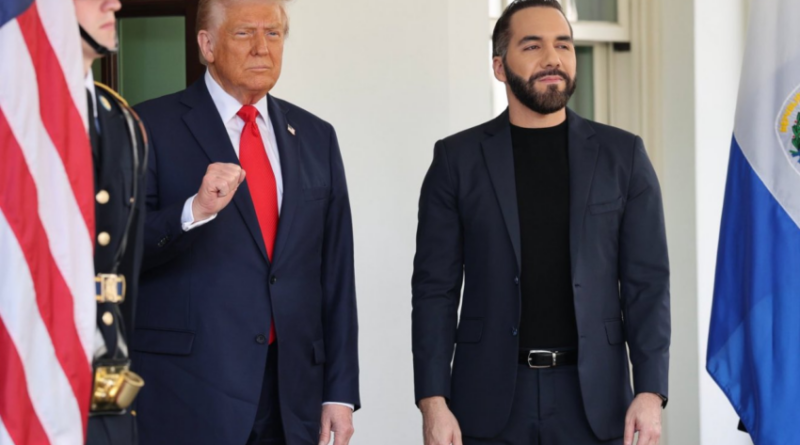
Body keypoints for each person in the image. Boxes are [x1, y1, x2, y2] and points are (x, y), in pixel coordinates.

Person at [411, 1, 670, 445]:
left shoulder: (623, 156)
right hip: (488, 401)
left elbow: (647, 284)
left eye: (563, 45)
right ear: (499, 66)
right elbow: (435, 289)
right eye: (533, 46)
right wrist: (432, 401)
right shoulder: (456, 160)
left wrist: (650, 391)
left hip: (596, 402)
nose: (553, 58)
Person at [131, 1, 360, 444]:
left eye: (273, 34)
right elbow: (118, 252)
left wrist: (340, 391)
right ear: (207, 45)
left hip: (292, 394)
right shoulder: (148, 125)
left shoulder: (316, 135)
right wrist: (193, 211)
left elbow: (336, 272)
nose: (261, 47)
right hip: (188, 392)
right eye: (243, 33)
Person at [75, 0, 148, 444]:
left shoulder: (119, 118)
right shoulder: (17, 116)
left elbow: (124, 271)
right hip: (29, 379)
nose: (114, 3)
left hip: (107, 367)